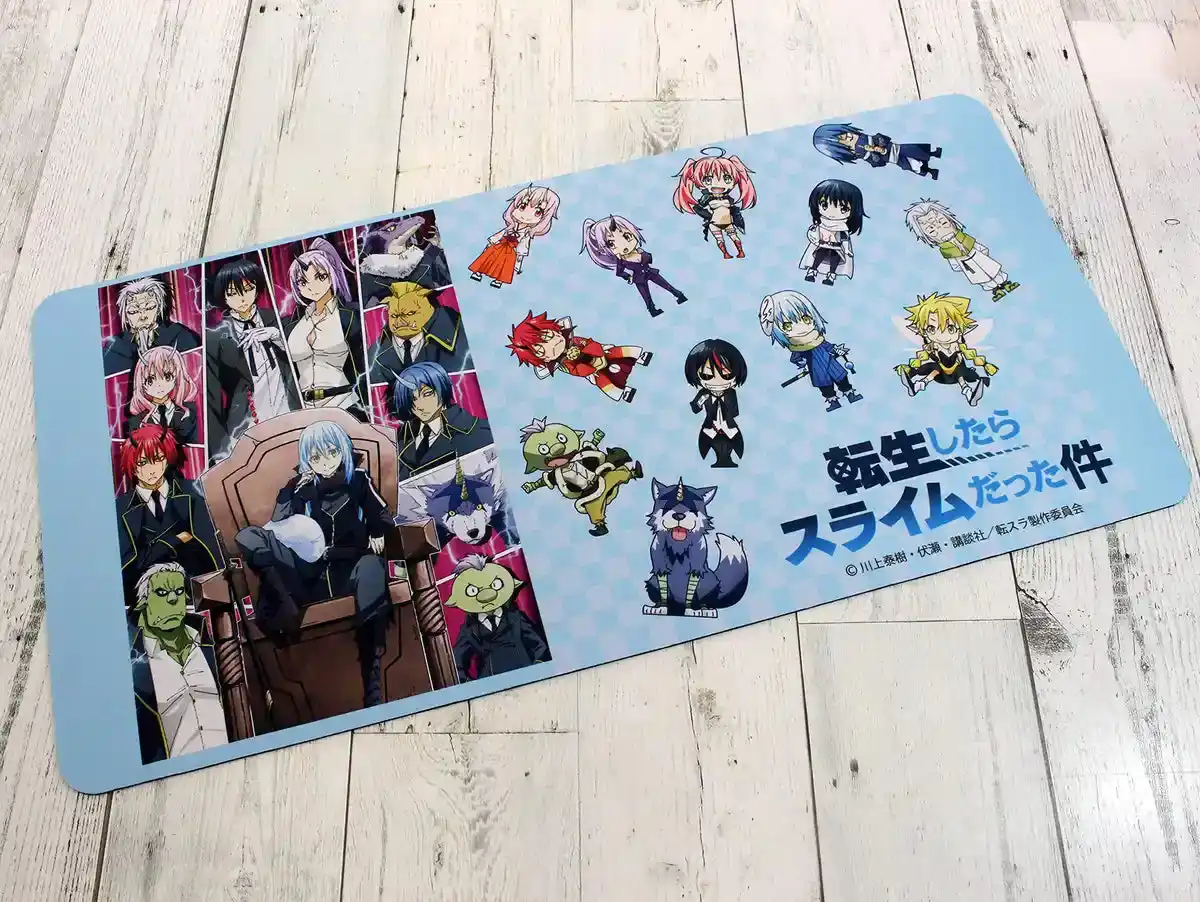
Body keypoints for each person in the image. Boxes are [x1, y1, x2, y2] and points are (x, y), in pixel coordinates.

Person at [235, 420, 394, 706]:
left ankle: (371, 673)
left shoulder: (358, 481)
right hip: (309, 578)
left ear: (343, 451)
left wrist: (377, 531)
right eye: (316, 456)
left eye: (332, 452)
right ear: (307, 460)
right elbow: (278, 527)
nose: (326, 462)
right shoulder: (301, 489)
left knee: (373, 567)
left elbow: (382, 517)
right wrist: (292, 489)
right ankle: (283, 601)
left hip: (350, 570)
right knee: (248, 536)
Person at [128, 563, 229, 762]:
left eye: (179, 591)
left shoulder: (211, 647)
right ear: (143, 603)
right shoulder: (135, 666)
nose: (173, 599)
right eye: (162, 592)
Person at [115, 425, 223, 606]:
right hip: (143, 598)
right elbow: (127, 565)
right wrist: (177, 539)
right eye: (142, 463)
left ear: (167, 459)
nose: (151, 470)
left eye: (158, 459)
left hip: (192, 593)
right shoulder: (121, 507)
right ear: (132, 465)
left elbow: (209, 548)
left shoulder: (192, 493)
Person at [205, 257, 299, 460]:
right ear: (223, 296)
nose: (242, 299)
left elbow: (301, 358)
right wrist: (221, 451)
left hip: (288, 410)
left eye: (248, 289)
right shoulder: (216, 338)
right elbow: (211, 397)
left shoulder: (277, 319)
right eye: (233, 293)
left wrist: (276, 336)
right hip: (246, 423)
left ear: (257, 288)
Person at [282, 237, 367, 419]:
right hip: (306, 410)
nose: (312, 287)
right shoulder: (293, 326)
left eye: (320, 277)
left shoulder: (349, 316)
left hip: (344, 403)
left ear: (332, 274)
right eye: (302, 282)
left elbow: (363, 364)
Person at [506, 311, 650, 403]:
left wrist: (590, 352)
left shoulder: (574, 341)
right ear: (544, 360)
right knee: (602, 382)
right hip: (593, 370)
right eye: (541, 351)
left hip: (601, 354)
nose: (552, 344)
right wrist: (587, 365)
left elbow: (590, 343)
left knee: (615, 351)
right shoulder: (563, 365)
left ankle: (639, 355)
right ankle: (622, 392)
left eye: (549, 336)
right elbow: (576, 371)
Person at [368, 282, 469, 411]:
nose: (400, 322)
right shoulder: (376, 352)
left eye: (410, 313)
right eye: (394, 316)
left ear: (429, 308)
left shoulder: (460, 334)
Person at [393, 362, 493, 481]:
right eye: (412, 399)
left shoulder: (478, 431)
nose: (419, 405)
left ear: (442, 389)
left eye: (427, 394)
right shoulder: (400, 440)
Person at [580, 215, 687, 318]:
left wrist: (642, 254)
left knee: (666, 285)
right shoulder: (621, 260)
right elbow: (619, 272)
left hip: (650, 272)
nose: (623, 245)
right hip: (638, 279)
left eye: (627, 236)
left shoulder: (639, 252)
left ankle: (680, 296)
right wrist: (628, 277)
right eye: (611, 244)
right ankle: (653, 311)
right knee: (646, 296)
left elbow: (649, 259)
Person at [467, 185, 561, 288]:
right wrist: (492, 242)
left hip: (511, 252)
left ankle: (499, 281)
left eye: (538, 212)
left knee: (504, 266)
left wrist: (519, 260)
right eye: (522, 206)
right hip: (498, 247)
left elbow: (523, 246)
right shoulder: (511, 227)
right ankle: (478, 272)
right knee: (488, 259)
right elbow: (501, 234)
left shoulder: (526, 233)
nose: (526, 214)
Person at [103, 277, 200, 376]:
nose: (143, 316)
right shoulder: (114, 349)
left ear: (159, 308)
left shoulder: (180, 335)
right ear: (125, 315)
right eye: (133, 311)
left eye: (150, 308)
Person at [672, 147, 757, 259]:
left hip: (728, 222)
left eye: (727, 178)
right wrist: (708, 216)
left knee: (734, 237)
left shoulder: (729, 198)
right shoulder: (707, 198)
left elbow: (733, 209)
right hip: (714, 224)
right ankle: (726, 254)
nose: (718, 184)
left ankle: (741, 252)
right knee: (720, 239)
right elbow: (698, 208)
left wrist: (737, 216)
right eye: (708, 180)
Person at [358, 214, 452, 304]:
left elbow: (448, 284)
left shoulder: (428, 257)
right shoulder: (368, 280)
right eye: (391, 229)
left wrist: (442, 246)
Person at [685, 338, 748, 468]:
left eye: (726, 375)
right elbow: (695, 409)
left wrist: (725, 423)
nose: (717, 382)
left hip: (728, 426)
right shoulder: (703, 393)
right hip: (710, 426)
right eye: (707, 376)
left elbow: (735, 412)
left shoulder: (731, 393)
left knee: (732, 444)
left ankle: (728, 460)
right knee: (709, 444)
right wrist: (700, 401)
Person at [126, 346, 200, 446]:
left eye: (167, 376)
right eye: (150, 380)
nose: (159, 385)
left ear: (177, 377)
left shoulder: (188, 413)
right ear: (141, 383)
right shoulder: (137, 421)